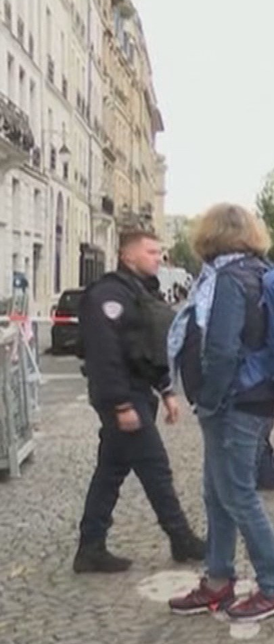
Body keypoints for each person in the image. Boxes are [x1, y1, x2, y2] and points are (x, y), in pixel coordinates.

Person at [167, 203, 274, 623]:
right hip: (249, 398)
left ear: (212, 235)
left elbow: (222, 349)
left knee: (238, 494)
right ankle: (218, 580)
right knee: (217, 494)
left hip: (234, 403)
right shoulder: (256, 271)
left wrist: (207, 400)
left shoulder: (228, 279)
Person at [73, 230, 206, 573]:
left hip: (137, 393)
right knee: (155, 467)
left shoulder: (139, 293)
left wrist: (166, 390)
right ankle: (181, 539)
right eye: (151, 251)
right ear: (128, 256)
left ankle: (90, 546)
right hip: (122, 396)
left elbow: (144, 348)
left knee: (110, 471)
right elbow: (105, 356)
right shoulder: (106, 294)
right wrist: (120, 404)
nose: (158, 257)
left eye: (159, 251)